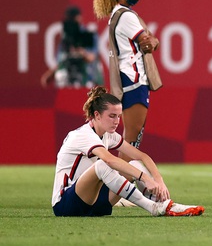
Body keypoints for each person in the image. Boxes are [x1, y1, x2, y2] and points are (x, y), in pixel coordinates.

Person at [51, 86, 204, 217]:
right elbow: (110, 160)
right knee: (102, 166)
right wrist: (145, 178)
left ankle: (164, 204)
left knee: (135, 164)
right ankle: (153, 207)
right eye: (112, 116)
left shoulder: (108, 134)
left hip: (92, 203)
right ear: (96, 115)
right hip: (66, 205)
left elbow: (142, 156)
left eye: (118, 116)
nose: (117, 121)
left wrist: (159, 180)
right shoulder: (83, 135)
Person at [93, 0, 160, 160]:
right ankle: (112, 188)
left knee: (129, 144)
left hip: (128, 80)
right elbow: (147, 42)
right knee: (131, 145)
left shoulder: (118, 14)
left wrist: (152, 40)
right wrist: (153, 41)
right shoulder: (127, 16)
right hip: (135, 81)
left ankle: (113, 187)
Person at [41, 6, 104, 88]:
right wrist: (50, 75)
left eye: (74, 18)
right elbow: (60, 61)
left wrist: (82, 53)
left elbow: (92, 57)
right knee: (61, 76)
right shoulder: (66, 39)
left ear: (79, 18)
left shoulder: (87, 36)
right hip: (67, 78)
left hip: (86, 77)